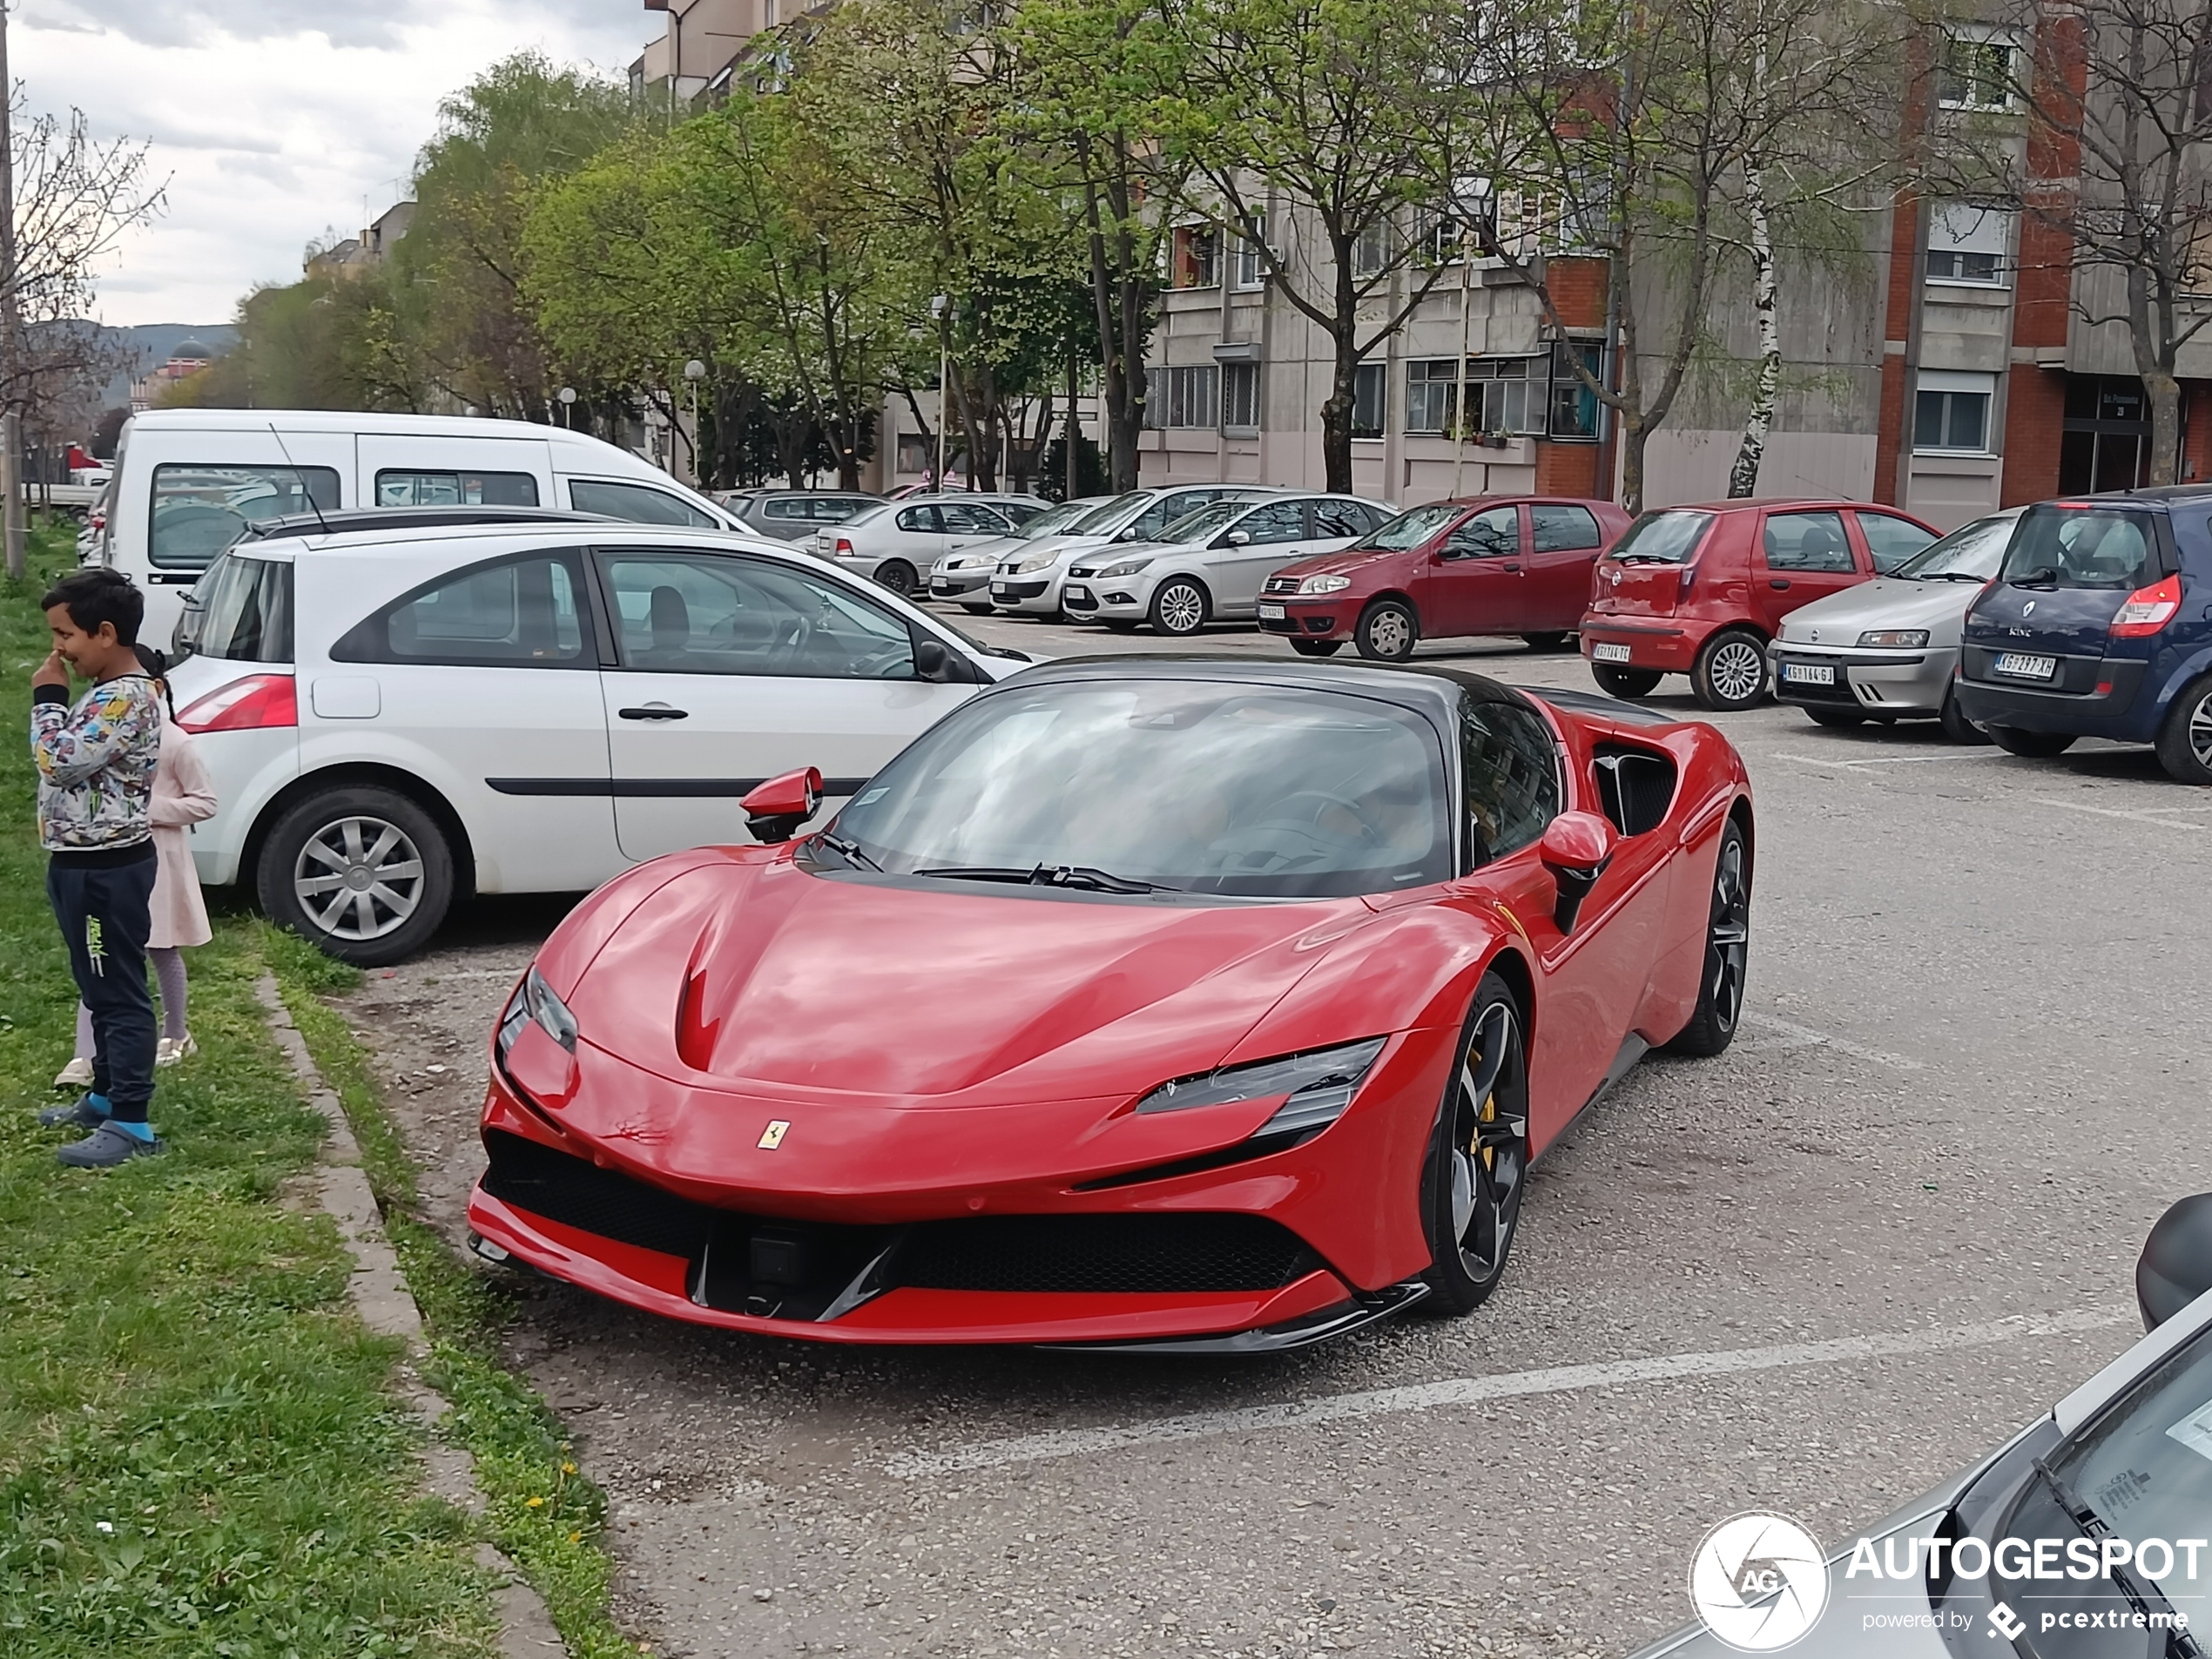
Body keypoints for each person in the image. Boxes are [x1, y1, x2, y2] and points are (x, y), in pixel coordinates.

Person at [30, 568, 165, 1167]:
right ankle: (106, 1095)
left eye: (66, 634)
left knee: (118, 993)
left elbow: (59, 762)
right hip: (80, 863)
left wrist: (47, 698)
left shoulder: (126, 698)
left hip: (107, 870)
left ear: (106, 632)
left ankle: (132, 1122)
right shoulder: (109, 691)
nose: (59, 647)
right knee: (96, 985)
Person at [52, 643, 212, 1087]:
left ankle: (177, 1033)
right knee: (101, 953)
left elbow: (204, 802)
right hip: (111, 854)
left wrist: (149, 809)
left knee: (161, 947)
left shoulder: (177, 742)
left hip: (159, 861)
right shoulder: (103, 736)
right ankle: (86, 1054)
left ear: (156, 688)